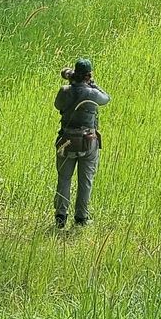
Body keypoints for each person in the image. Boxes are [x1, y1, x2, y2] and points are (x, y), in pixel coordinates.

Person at [53, 58, 109, 228]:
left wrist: (71, 81)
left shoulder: (64, 91)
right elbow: (106, 99)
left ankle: (61, 217)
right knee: (85, 180)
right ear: (88, 75)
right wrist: (93, 84)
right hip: (88, 142)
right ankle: (81, 217)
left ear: (75, 74)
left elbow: (57, 105)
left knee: (64, 179)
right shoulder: (92, 93)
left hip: (66, 141)